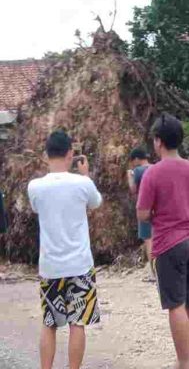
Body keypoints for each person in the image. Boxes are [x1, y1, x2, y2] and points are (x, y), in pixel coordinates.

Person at [137, 113, 189, 369]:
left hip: (169, 243)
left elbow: (143, 213)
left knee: (175, 304)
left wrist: (160, 214)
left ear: (158, 141)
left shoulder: (152, 174)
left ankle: (183, 362)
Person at [28, 130, 102, 369]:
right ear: (71, 153)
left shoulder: (35, 187)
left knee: (49, 322)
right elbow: (96, 203)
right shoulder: (83, 183)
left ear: (45, 155)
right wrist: (86, 174)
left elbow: (37, 209)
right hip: (80, 264)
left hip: (50, 265)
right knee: (77, 323)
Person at [127, 147, 155, 281]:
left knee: (149, 241)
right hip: (159, 209)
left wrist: (129, 176)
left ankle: (154, 273)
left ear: (137, 159)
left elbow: (133, 189)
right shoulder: (156, 167)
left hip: (145, 209)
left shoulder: (138, 170)